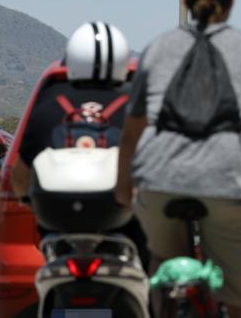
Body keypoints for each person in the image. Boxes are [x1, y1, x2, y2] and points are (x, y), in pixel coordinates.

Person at [114, 0, 241, 318]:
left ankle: (164, 302)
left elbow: (131, 132)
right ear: (231, 2)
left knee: (163, 262)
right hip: (227, 183)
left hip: (159, 181)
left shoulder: (157, 49)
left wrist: (124, 187)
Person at [11, 21, 151, 265]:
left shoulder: (46, 110)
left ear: (72, 60)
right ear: (121, 61)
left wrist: (25, 198)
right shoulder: (137, 112)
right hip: (123, 222)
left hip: (58, 229)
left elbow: (20, 177)